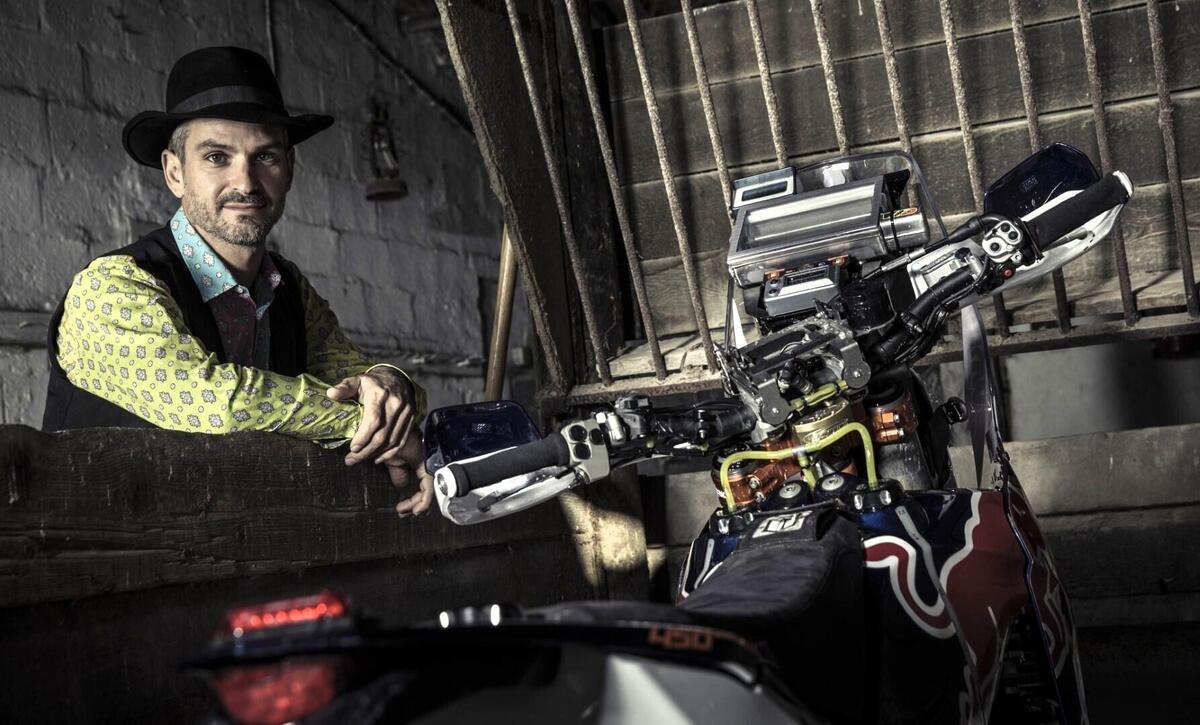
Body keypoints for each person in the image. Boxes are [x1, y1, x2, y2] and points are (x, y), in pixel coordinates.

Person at [41, 46, 433, 516]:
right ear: (174, 172)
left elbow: (358, 375)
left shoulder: (288, 287)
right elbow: (218, 405)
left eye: (264, 156)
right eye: (216, 156)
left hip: (242, 545)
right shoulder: (112, 288)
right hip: (100, 549)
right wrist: (384, 430)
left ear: (289, 169)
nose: (245, 182)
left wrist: (390, 382)